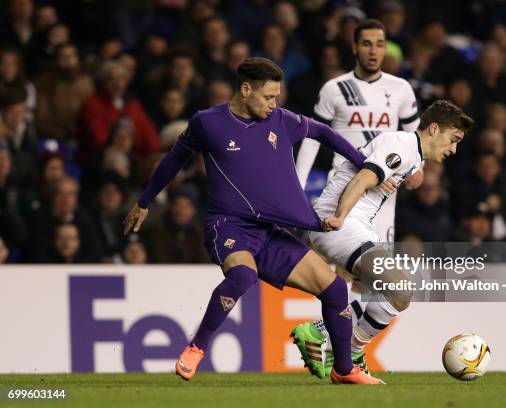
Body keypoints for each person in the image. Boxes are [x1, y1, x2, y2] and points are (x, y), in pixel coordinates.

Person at [122, 57, 383, 385]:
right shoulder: (208, 123)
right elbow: (174, 159)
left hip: (269, 232)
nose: (274, 104)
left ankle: (344, 370)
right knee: (243, 275)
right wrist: (144, 202)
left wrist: (364, 164)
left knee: (333, 290)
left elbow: (322, 132)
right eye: (268, 97)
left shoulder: (282, 121)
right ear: (245, 90)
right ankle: (196, 348)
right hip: (228, 226)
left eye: (277, 97)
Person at [290, 100, 473, 378]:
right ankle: (349, 353)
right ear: (434, 129)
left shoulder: (410, 154)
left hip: (357, 224)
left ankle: (319, 333)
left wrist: (387, 175)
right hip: (342, 223)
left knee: (371, 293)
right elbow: (362, 180)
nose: (454, 149)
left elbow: (368, 167)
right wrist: (339, 217)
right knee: (400, 289)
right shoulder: (403, 146)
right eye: (453, 139)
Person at [295, 18, 420, 243]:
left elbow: (417, 137)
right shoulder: (335, 89)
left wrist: (418, 168)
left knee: (374, 270)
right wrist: (298, 183)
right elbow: (312, 138)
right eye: (366, 43)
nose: (373, 51)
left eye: (379, 44)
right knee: (344, 263)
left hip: (383, 189)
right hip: (344, 183)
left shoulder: (401, 88)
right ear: (354, 47)